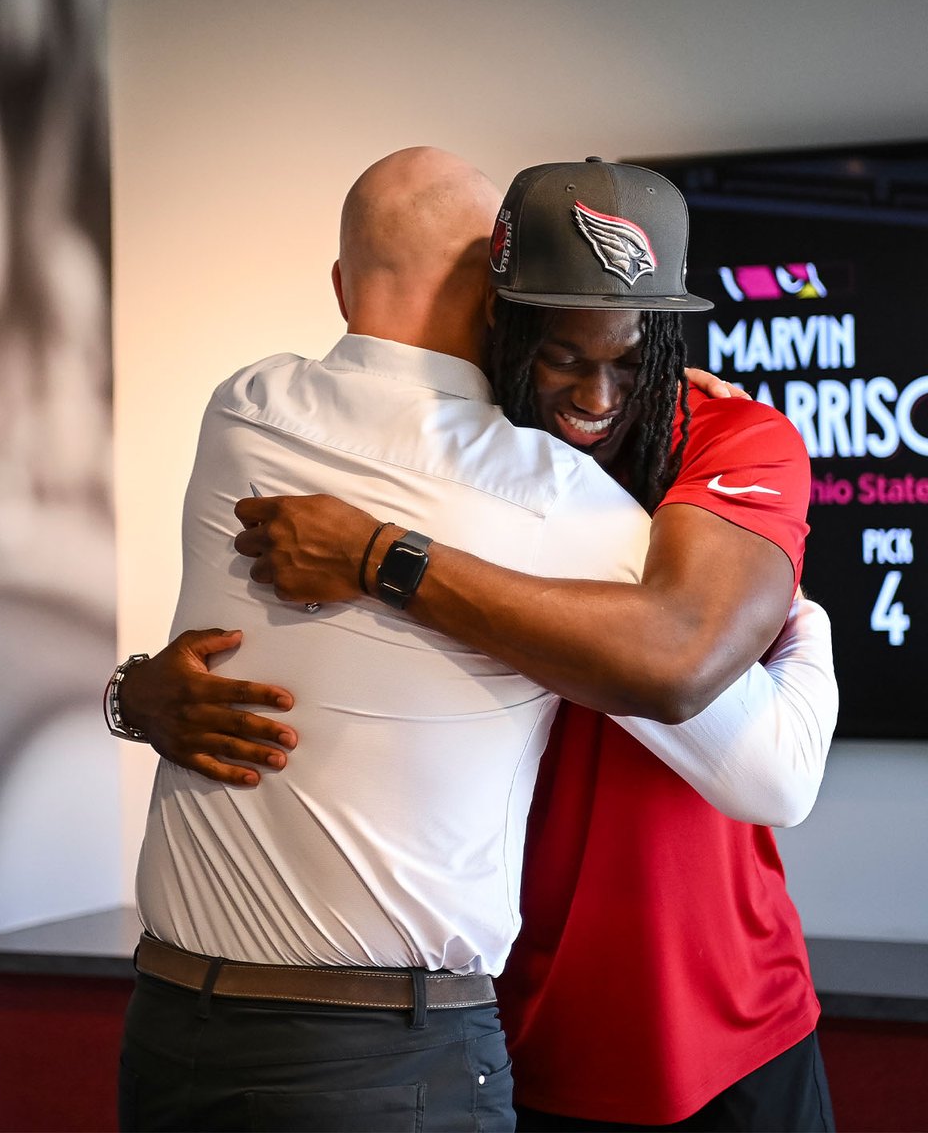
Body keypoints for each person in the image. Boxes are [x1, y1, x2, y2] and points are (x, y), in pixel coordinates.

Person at [115, 153, 837, 1132]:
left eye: (629, 356)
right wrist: (132, 696)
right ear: (501, 320)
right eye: (564, 353)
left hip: (708, 1015)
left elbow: (710, 690)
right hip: (496, 1020)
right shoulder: (519, 478)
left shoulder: (718, 443)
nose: (595, 393)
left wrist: (383, 558)